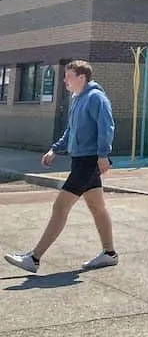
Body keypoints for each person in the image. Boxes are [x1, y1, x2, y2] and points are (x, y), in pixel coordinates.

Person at [4, 60, 118, 273]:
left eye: (68, 76)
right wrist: (55, 149)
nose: (64, 80)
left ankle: (34, 258)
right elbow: (71, 130)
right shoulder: (77, 99)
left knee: (60, 207)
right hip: (81, 159)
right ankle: (109, 253)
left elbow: (107, 126)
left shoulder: (95, 98)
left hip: (89, 160)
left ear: (81, 77)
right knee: (97, 207)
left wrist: (103, 154)